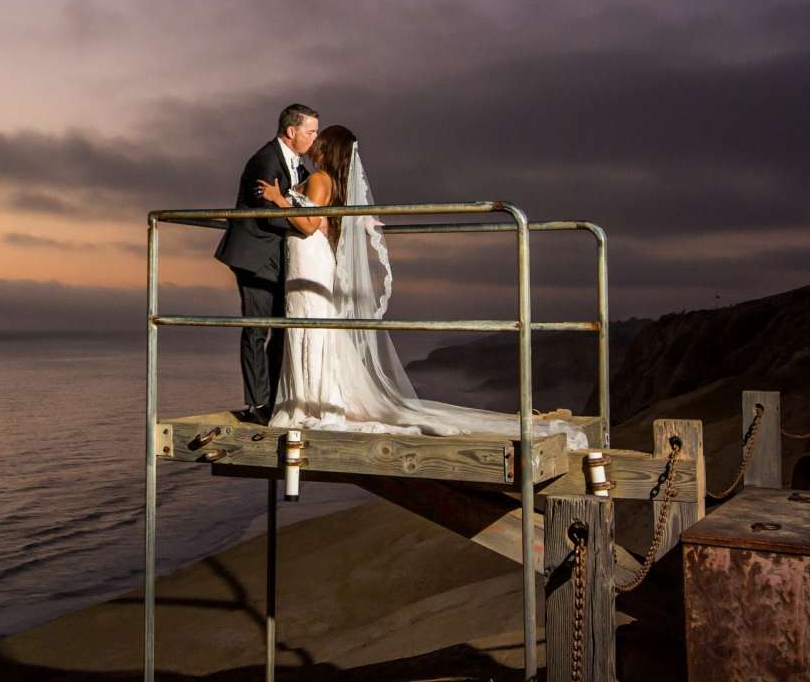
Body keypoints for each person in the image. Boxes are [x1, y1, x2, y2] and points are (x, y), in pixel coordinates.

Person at [251, 126, 586, 445]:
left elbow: (309, 226)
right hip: (311, 258)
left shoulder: (321, 179)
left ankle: (311, 401)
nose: (314, 144)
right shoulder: (329, 181)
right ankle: (313, 396)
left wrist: (280, 201)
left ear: (328, 148)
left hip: (308, 256)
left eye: (319, 140)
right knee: (311, 325)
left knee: (309, 324)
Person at [214, 104, 317, 421]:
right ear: (291, 131)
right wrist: (310, 227)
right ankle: (258, 404)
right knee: (257, 330)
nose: (315, 138)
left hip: (278, 259)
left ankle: (276, 397)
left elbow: (307, 201)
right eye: (310, 132)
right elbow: (267, 215)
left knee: (281, 329)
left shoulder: (299, 167)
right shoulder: (264, 160)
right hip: (254, 257)